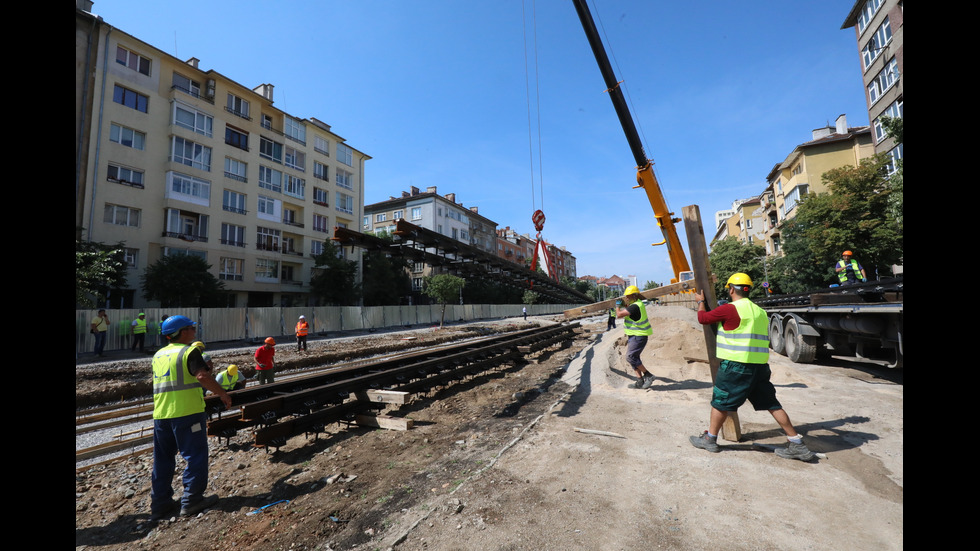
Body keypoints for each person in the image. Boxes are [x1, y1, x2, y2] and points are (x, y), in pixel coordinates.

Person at [689, 273, 814, 461]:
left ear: (731, 289)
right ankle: (796, 443)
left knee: (720, 401)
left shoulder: (730, 309)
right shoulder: (760, 312)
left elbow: (703, 318)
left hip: (736, 366)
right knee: (772, 403)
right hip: (759, 367)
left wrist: (700, 302)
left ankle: (710, 439)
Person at [150, 315, 232, 520]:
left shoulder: (158, 355)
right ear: (182, 332)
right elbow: (202, 376)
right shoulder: (189, 351)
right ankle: (192, 500)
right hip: (187, 413)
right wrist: (222, 393)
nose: (194, 331)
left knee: (162, 460)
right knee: (195, 455)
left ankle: (160, 504)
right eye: (191, 328)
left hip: (161, 415)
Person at [616, 285, 655, 389]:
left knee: (630, 357)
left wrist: (617, 306)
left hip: (639, 336)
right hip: (635, 336)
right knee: (634, 358)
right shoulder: (636, 305)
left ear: (634, 295)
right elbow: (629, 311)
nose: (626, 298)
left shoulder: (635, 306)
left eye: (628, 296)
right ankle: (639, 381)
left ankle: (648, 375)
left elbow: (619, 315)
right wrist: (625, 305)